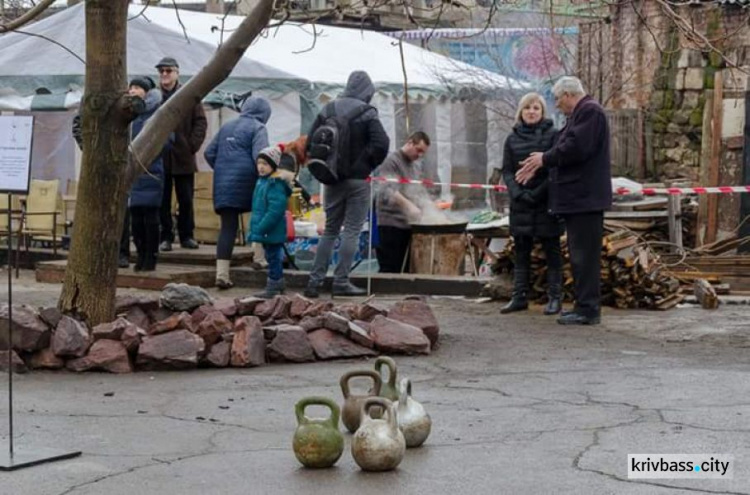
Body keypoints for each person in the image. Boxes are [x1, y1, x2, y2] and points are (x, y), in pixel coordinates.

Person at [515, 77, 612, 325]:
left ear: (568, 95)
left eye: (557, 99)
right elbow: (564, 143)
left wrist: (545, 159)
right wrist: (542, 158)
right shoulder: (581, 114)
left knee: (585, 256)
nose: (557, 105)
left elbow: (576, 148)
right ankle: (583, 306)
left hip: (584, 199)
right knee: (580, 256)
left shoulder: (590, 112)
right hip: (579, 199)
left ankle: (588, 310)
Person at [303, 70, 390, 298]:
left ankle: (314, 282)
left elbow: (310, 143)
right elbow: (382, 143)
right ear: (367, 91)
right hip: (358, 181)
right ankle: (341, 281)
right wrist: (365, 165)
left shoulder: (328, 109)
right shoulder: (367, 112)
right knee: (351, 230)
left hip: (331, 179)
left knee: (330, 230)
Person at [500, 92, 563, 316]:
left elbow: (555, 169)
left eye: (536, 108)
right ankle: (519, 297)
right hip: (520, 203)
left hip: (545, 202)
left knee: (552, 251)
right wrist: (517, 192)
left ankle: (555, 297)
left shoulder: (553, 136)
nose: (531, 112)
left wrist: (537, 193)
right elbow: (507, 170)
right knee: (521, 251)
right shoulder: (512, 138)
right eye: (528, 108)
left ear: (542, 111)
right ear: (521, 112)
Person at [204, 96, 271, 289]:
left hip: (223, 183)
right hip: (248, 180)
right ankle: (259, 258)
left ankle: (222, 275)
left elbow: (209, 153)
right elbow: (261, 157)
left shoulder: (226, 126)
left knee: (228, 227)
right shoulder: (258, 128)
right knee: (258, 216)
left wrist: (222, 169)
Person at [155, 56, 207, 252]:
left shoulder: (189, 95)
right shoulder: (154, 96)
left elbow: (201, 122)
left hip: (183, 157)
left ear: (177, 73)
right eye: (162, 71)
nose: (165, 75)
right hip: (160, 157)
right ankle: (165, 237)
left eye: (168, 71)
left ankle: (187, 235)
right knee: (162, 200)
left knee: (186, 199)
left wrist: (191, 145)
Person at [72, 113, 131, 269]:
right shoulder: (91, 100)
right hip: (96, 165)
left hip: (119, 163)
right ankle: (94, 253)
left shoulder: (126, 104)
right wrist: (90, 150)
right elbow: (78, 124)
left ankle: (122, 254)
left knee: (121, 211)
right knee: (96, 213)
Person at [374, 131, 431, 273]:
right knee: (390, 267)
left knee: (405, 269)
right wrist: (409, 205)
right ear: (410, 142)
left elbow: (418, 191)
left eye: (423, 153)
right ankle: (385, 294)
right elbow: (388, 190)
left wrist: (429, 205)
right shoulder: (391, 161)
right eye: (418, 150)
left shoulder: (415, 166)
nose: (419, 155)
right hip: (390, 224)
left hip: (408, 225)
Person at [127, 77, 165, 272]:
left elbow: (167, 139)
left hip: (151, 169)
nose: (133, 90)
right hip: (131, 172)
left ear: (146, 92)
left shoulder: (156, 114)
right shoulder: (129, 114)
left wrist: (146, 153)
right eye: (131, 87)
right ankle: (140, 254)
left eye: (137, 88)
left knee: (150, 217)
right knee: (135, 218)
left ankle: (151, 256)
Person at [248, 146, 295, 299]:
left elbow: (275, 210)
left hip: (271, 229)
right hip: (266, 229)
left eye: (265, 164)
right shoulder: (262, 182)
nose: (261, 167)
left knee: (274, 256)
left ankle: (274, 284)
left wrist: (261, 227)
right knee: (271, 256)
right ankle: (277, 282)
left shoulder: (274, 184)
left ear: (274, 166)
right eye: (259, 163)